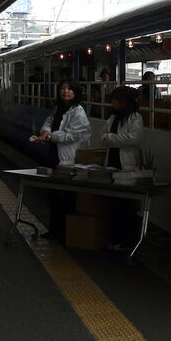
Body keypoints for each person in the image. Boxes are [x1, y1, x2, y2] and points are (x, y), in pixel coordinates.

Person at [33, 79, 90, 242]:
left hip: (69, 159)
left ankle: (68, 232)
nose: (65, 91)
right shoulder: (58, 108)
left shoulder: (78, 112)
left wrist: (51, 136)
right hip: (55, 155)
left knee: (68, 197)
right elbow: (48, 123)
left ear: (76, 92)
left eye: (69, 89)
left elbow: (73, 135)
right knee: (54, 195)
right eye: (63, 88)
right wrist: (45, 131)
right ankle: (55, 230)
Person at [101, 87, 144, 248]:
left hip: (126, 165)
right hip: (112, 162)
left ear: (124, 101)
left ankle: (129, 241)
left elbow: (134, 139)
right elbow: (102, 134)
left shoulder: (135, 117)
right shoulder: (113, 117)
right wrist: (112, 138)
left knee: (127, 205)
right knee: (114, 204)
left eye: (115, 100)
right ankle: (116, 238)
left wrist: (111, 138)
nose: (112, 103)